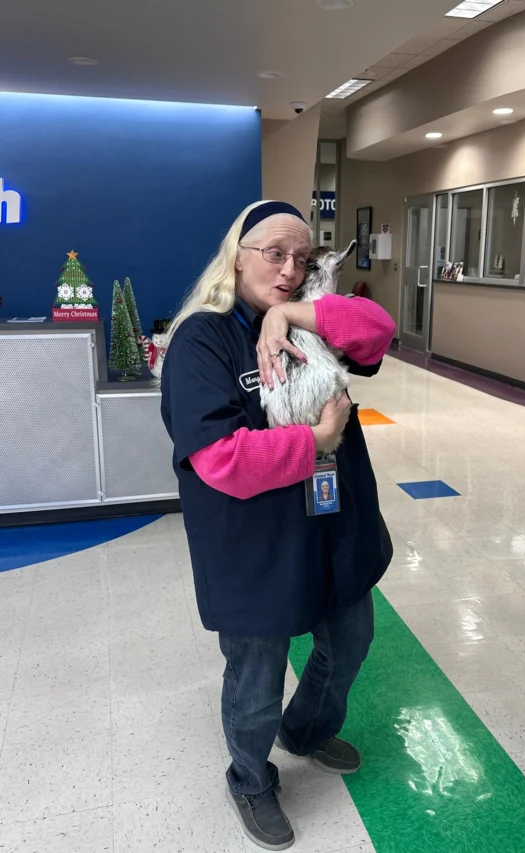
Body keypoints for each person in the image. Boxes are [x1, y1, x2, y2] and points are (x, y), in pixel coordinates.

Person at [160, 200, 395, 850]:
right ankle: (250, 775)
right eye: (275, 254)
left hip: (333, 526)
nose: (291, 268)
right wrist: (317, 440)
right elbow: (219, 456)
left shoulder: (312, 317)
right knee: (257, 679)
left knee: (348, 643)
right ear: (236, 255)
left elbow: (377, 330)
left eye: (303, 256)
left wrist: (291, 314)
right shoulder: (201, 340)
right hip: (254, 543)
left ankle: (308, 732)